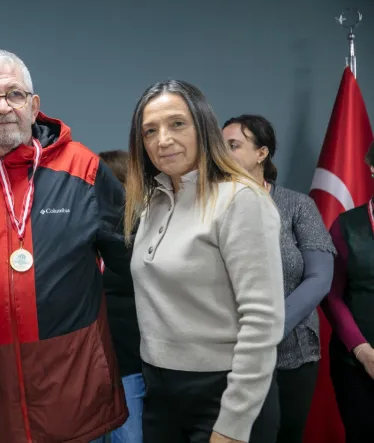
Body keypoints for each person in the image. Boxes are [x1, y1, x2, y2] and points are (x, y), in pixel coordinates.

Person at [0, 49, 130, 443]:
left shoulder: (84, 170)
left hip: (77, 408)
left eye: (14, 94)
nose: (3, 107)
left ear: (34, 105)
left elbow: (135, 265)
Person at [125, 80, 284, 443]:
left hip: (226, 393)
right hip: (161, 392)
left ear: (203, 127)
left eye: (177, 124)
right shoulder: (153, 202)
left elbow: (262, 321)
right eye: (150, 131)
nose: (163, 139)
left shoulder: (240, 200)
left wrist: (233, 423)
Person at [222, 114, 335, 443]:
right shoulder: (209, 206)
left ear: (262, 153)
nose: (223, 153)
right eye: (219, 146)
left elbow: (320, 277)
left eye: (233, 145)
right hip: (226, 354)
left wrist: (269, 329)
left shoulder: (297, 205)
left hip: (291, 353)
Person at [322, 142, 374, 443]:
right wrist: (363, 351)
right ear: (372, 167)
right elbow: (332, 295)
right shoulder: (346, 226)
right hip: (356, 364)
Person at [91, 150, 143, 443]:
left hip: (128, 366)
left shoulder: (142, 236)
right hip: (84, 367)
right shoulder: (80, 235)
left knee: (130, 438)